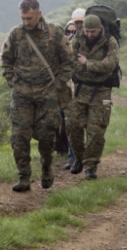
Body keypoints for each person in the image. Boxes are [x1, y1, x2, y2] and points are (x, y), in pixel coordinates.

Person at [1, 0, 74, 192]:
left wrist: (57, 85)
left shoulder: (54, 33)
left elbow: (68, 61)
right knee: (18, 137)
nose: (26, 22)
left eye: (30, 18)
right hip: (22, 95)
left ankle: (47, 168)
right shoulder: (16, 35)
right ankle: (24, 177)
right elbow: (6, 61)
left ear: (39, 14)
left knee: (46, 137)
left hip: (47, 95)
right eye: (23, 18)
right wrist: (13, 82)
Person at [66, 14, 119, 179]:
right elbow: (71, 62)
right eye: (87, 31)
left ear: (100, 29)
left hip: (102, 91)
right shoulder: (77, 40)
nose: (89, 34)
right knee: (73, 126)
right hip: (80, 90)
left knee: (96, 131)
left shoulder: (110, 42)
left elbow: (110, 65)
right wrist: (96, 66)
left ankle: (91, 166)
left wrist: (87, 63)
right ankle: (79, 159)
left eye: (93, 32)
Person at [58, 19, 78, 169]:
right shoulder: (61, 48)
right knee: (70, 123)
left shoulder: (81, 46)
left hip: (83, 89)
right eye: (68, 32)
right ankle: (71, 157)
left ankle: (80, 156)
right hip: (66, 91)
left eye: (74, 31)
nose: (71, 34)